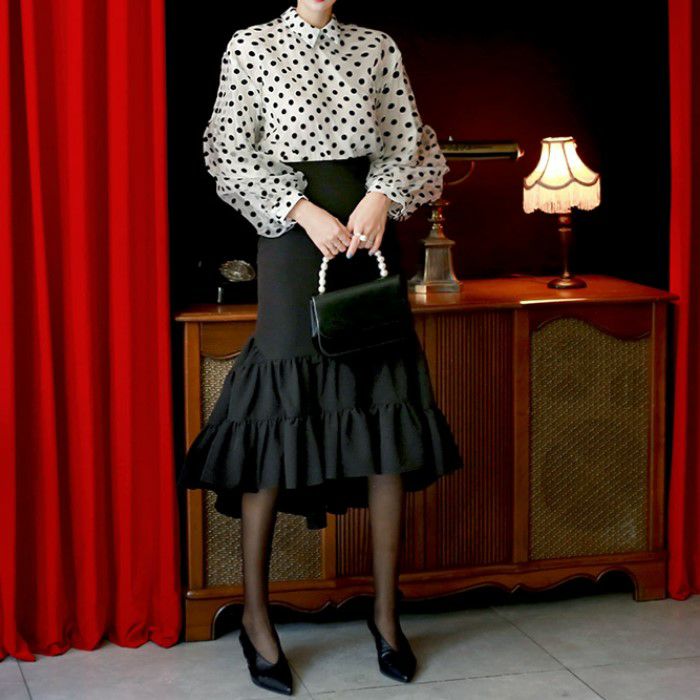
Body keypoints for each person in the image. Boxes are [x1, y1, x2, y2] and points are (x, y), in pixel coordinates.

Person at [178, 1, 464, 695]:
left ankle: (387, 617)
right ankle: (256, 618)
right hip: (292, 237)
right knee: (276, 412)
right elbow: (228, 151)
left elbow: (407, 141)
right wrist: (304, 212)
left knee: (384, 406)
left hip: (368, 235)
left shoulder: (375, 45)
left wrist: (381, 197)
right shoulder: (251, 44)